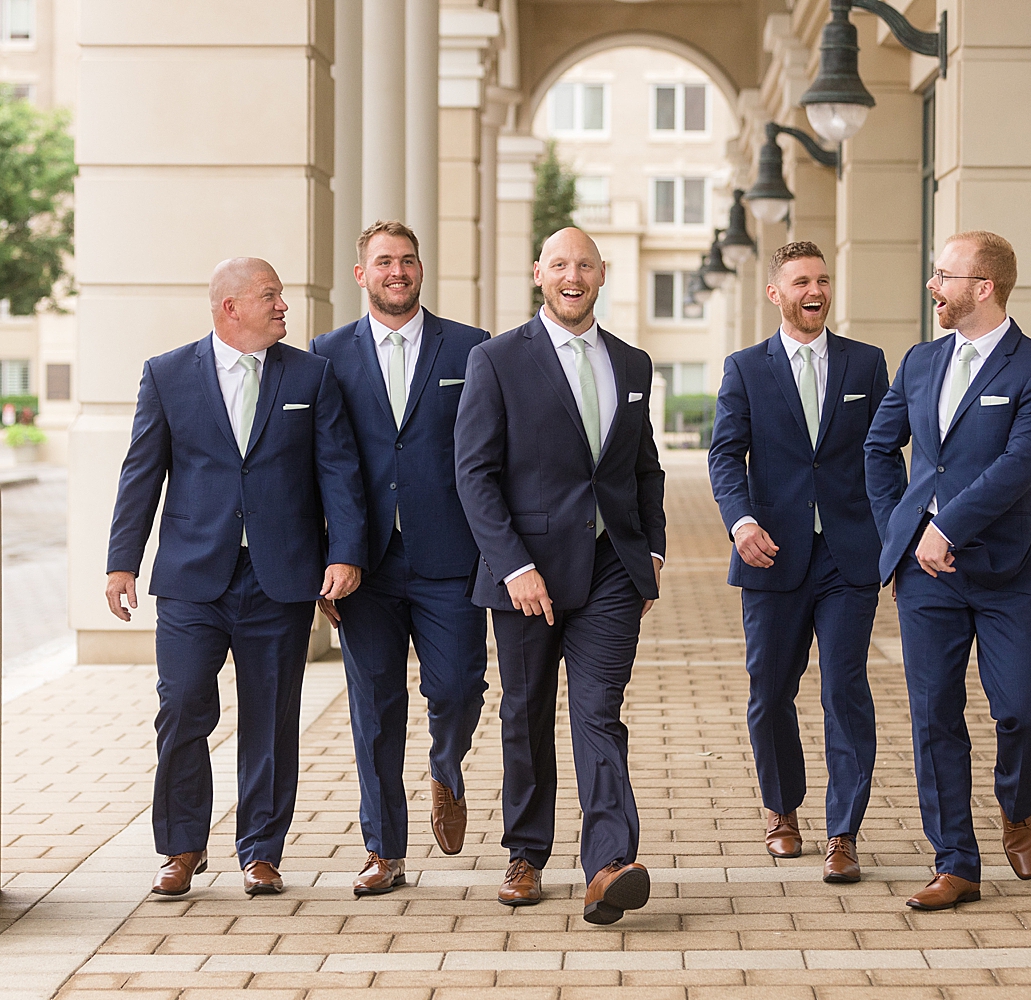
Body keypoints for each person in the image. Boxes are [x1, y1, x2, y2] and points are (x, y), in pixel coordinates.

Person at [105, 257, 366, 897]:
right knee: (183, 707)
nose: (284, 306)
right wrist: (122, 561)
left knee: (271, 718)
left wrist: (345, 553)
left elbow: (338, 472)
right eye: (271, 296)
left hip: (280, 577)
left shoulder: (312, 374)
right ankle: (181, 848)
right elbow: (142, 471)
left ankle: (260, 850)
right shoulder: (167, 375)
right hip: (194, 577)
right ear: (231, 307)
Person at [453, 227, 666, 925]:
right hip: (527, 573)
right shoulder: (496, 360)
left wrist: (652, 553)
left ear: (602, 275)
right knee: (526, 711)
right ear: (537, 273)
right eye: (560, 265)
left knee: (599, 711)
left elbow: (643, 468)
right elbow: (475, 474)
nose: (572, 276)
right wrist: (512, 564)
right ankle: (525, 853)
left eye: (585, 265)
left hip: (610, 570)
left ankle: (609, 864)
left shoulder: (632, 364)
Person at [864, 231, 1031, 910]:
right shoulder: (920, 362)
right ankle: (955, 862)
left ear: (983, 286)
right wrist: (909, 525)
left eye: (943, 275)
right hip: (928, 579)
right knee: (935, 718)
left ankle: (1018, 804)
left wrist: (947, 525)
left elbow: (1017, 467)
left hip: (1008, 572)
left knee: (1023, 709)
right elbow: (879, 446)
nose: (933, 286)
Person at [309, 222, 489, 897]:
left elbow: (488, 455)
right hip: (366, 565)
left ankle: (446, 766)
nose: (397, 271)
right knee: (375, 708)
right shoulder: (326, 356)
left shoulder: (471, 349)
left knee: (458, 688)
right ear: (362, 273)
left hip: (452, 556)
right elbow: (318, 467)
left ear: (420, 270)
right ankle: (384, 850)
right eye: (384, 261)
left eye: (408, 260)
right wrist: (326, 562)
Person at [707, 242, 890, 880]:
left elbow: (885, 455)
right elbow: (725, 455)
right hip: (772, 553)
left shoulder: (866, 365)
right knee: (770, 692)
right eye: (800, 281)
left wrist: (893, 533)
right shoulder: (745, 368)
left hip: (848, 556)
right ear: (775, 294)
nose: (814, 290)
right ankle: (781, 809)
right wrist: (740, 520)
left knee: (845, 690)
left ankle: (844, 831)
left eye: (822, 279)